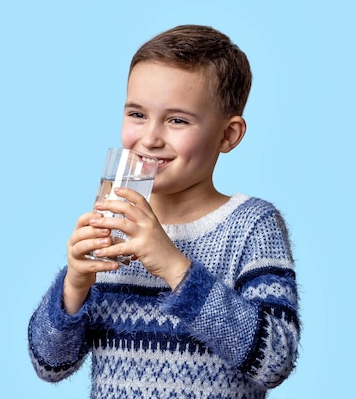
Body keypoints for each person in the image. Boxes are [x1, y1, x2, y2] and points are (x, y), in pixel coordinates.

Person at [27, 24, 300, 399]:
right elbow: (49, 364)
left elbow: (276, 361)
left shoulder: (251, 226)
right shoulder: (113, 223)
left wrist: (174, 266)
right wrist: (74, 284)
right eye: (137, 114)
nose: (151, 138)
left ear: (228, 135)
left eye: (177, 120)